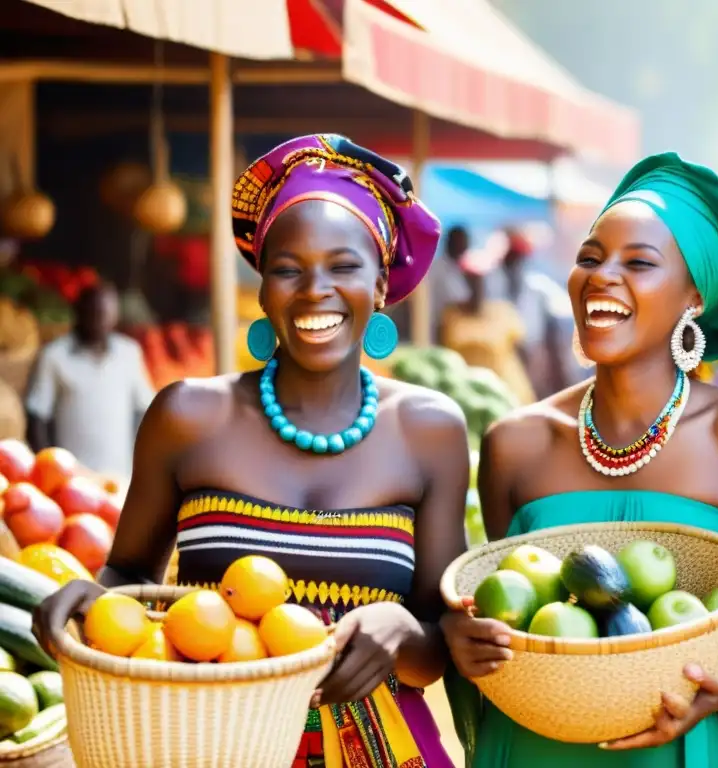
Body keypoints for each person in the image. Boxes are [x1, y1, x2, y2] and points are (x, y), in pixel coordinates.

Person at [32, 135, 469, 768]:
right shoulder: (187, 416)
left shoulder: (430, 429)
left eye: (343, 266)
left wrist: (404, 632)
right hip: (214, 743)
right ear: (262, 289)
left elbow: (434, 647)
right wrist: (89, 599)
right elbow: (129, 577)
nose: (314, 289)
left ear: (380, 284)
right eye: (288, 268)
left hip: (383, 750)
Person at [440, 153, 718, 767]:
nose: (602, 276)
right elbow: (511, 614)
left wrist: (716, 693)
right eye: (590, 257)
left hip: (696, 748)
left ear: (694, 295)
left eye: (638, 262)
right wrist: (462, 639)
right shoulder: (516, 443)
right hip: (540, 749)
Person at [24, 282, 155, 479]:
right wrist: (50, 470)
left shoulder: (129, 353)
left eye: (105, 314)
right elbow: (37, 417)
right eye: (94, 313)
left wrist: (141, 460)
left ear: (115, 316)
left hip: (121, 479)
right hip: (73, 481)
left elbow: (145, 409)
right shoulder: (55, 356)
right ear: (79, 312)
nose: (100, 320)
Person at [440, 231, 536, 406]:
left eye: (480, 280)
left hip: (510, 395)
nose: (477, 285)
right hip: (470, 398)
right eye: (472, 279)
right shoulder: (452, 316)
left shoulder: (504, 312)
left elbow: (524, 354)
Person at [502, 227, 573, 398]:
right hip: (505, 354)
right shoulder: (493, 283)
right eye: (511, 258)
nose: (514, 263)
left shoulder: (537, 286)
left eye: (518, 258)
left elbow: (560, 318)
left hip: (533, 350)